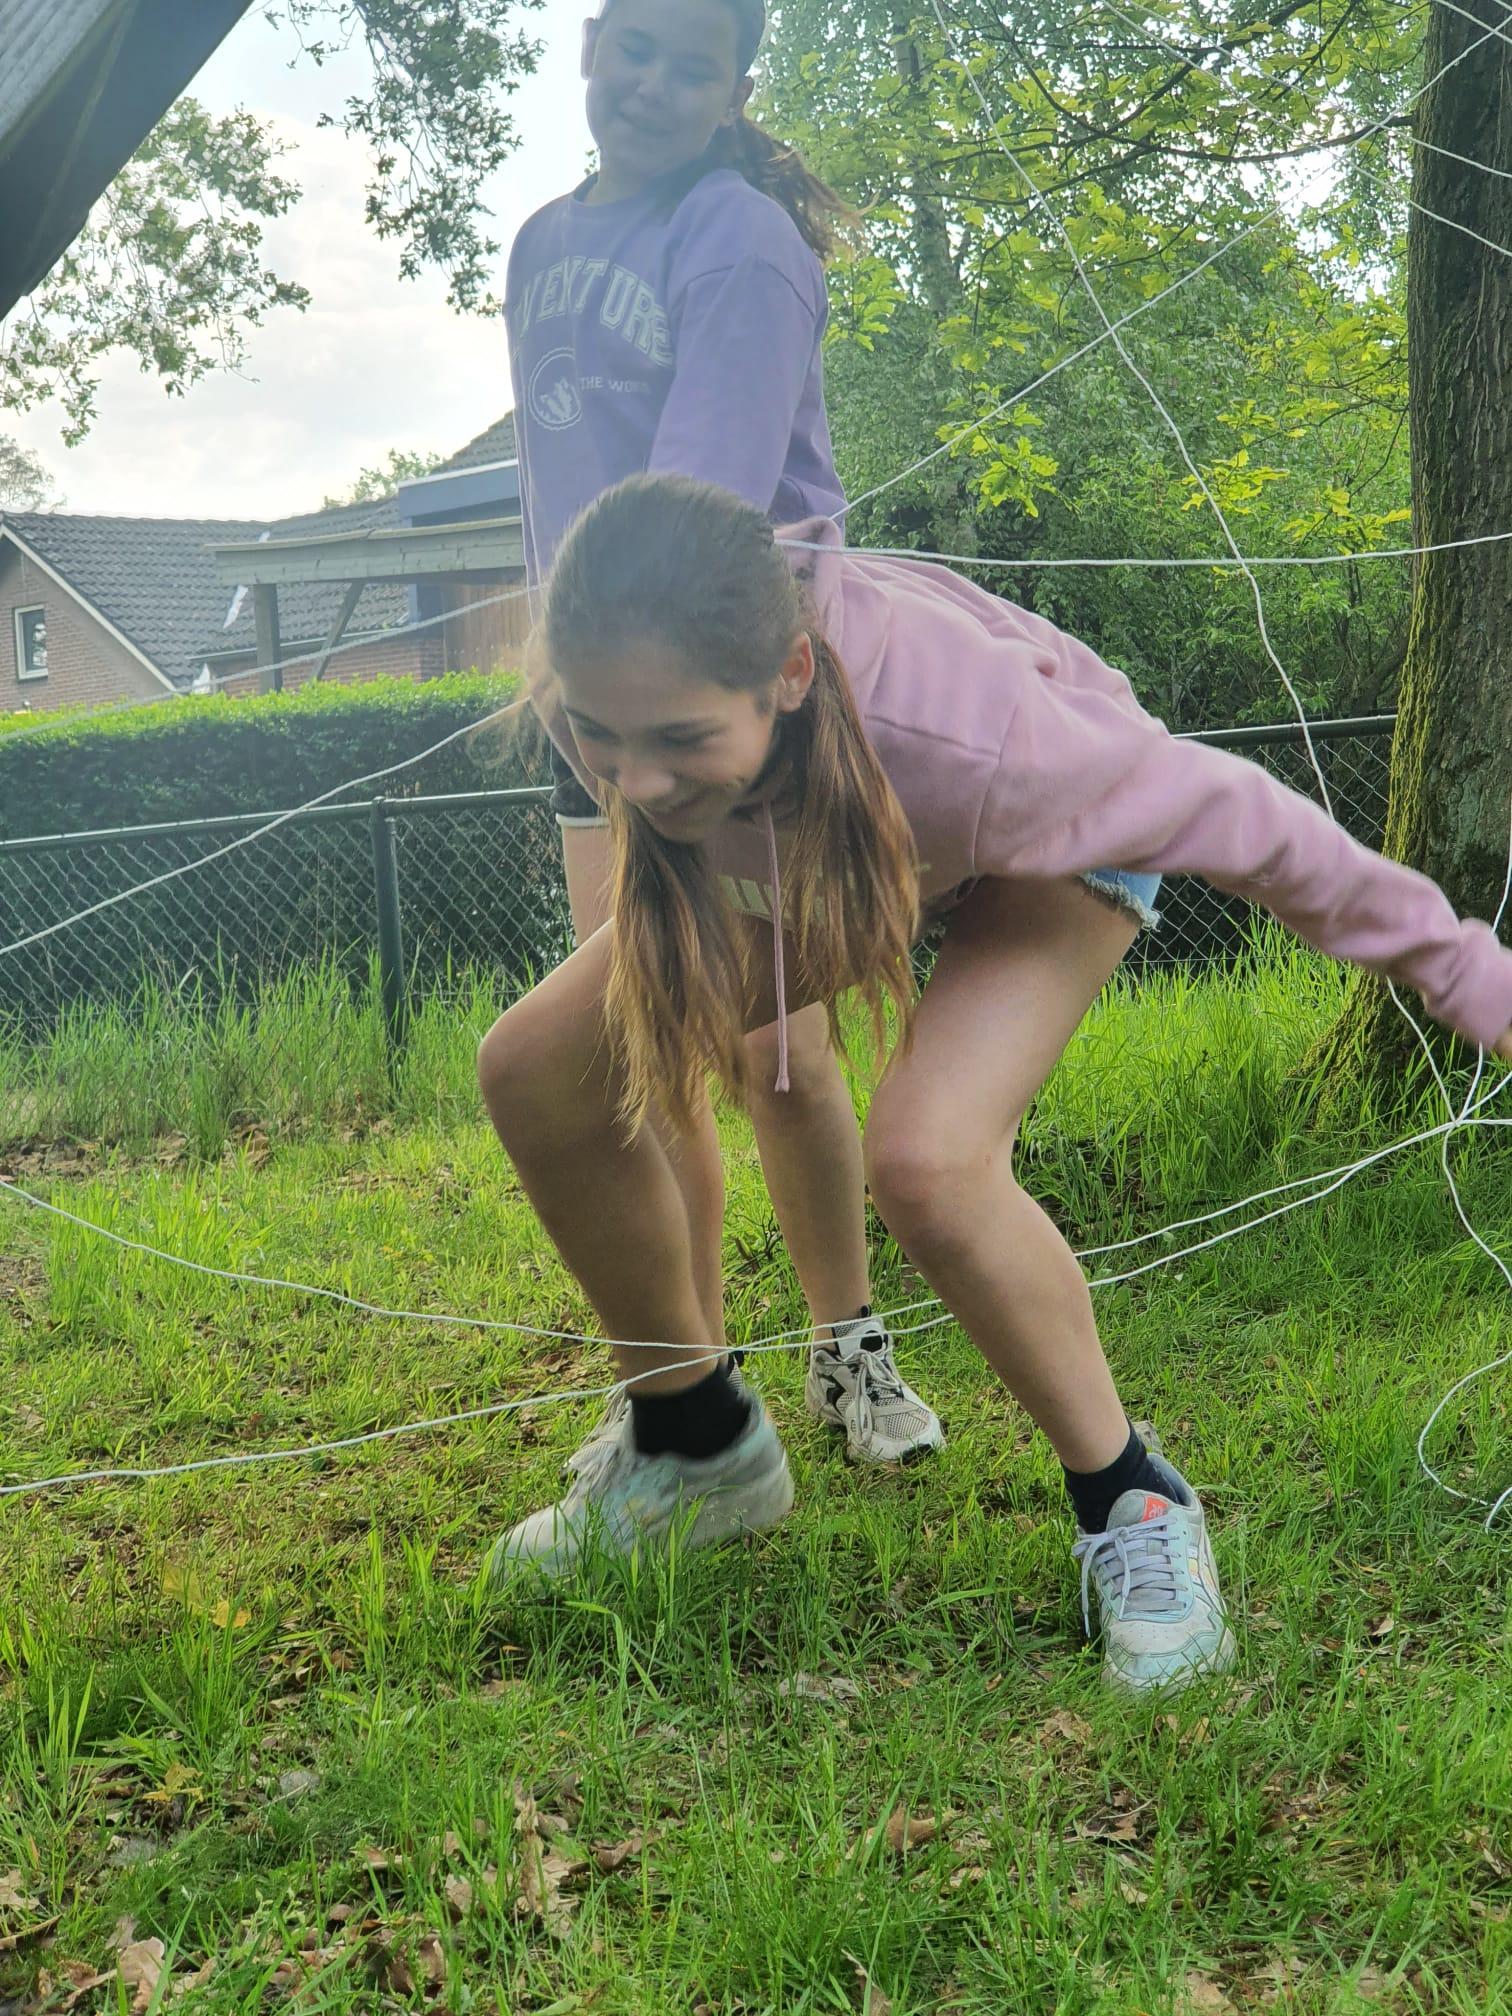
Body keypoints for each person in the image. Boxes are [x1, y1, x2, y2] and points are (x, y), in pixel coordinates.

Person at [478, 474, 1512, 1692]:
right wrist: (655, 757)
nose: (634, 780)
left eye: (679, 740)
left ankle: (1134, 1505)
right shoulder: (613, 701)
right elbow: (657, 747)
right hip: (853, 836)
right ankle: (694, 1444)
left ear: (790, 675)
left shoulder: (999, 748)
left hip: (1045, 847)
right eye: (601, 734)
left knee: (928, 1158)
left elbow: (1261, 828)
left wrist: (1475, 978)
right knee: (535, 1065)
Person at [504, 0, 943, 1464]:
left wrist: (654, 704)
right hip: (593, 703)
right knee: (644, 1050)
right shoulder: (541, 245)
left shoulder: (740, 238)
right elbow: (552, 488)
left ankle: (849, 1348)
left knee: (777, 1047)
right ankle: (688, 1390)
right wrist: (563, 687)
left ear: (734, 89)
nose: (652, 83)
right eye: (634, 49)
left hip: (731, 706)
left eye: (693, 66)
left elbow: (712, 505)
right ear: (590, 46)